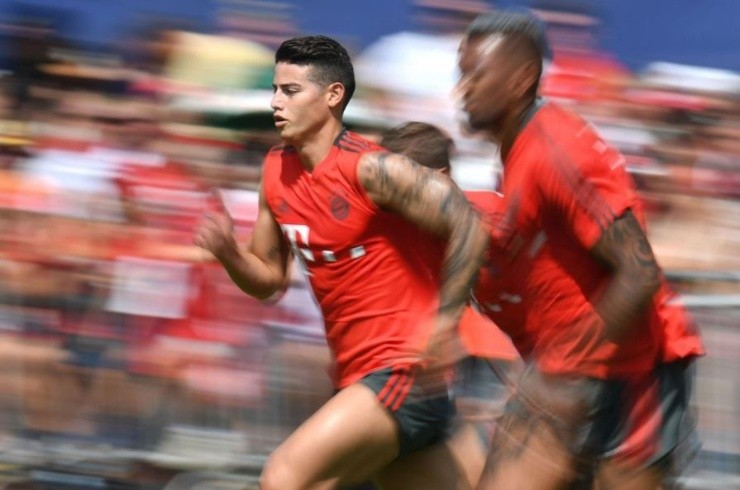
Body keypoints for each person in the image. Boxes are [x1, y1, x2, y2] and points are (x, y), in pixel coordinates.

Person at [194, 35, 489, 490]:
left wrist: (447, 322)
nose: (275, 102)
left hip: (402, 372)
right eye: (275, 90)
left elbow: (469, 224)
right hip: (359, 379)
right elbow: (269, 281)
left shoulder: (372, 169)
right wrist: (230, 253)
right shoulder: (275, 170)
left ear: (333, 96)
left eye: (291, 91)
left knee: (285, 478)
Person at [455, 11, 705, 490]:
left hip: (636, 377)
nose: (462, 89)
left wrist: (559, 371)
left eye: (476, 75)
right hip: (569, 381)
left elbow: (639, 273)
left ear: (521, 79)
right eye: (461, 74)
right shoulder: (518, 150)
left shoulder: (557, 150)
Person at [380, 121, 520, 489]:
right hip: (446, 369)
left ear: (440, 178)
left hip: (500, 366)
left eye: (397, 182)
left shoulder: (497, 215)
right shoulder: (399, 227)